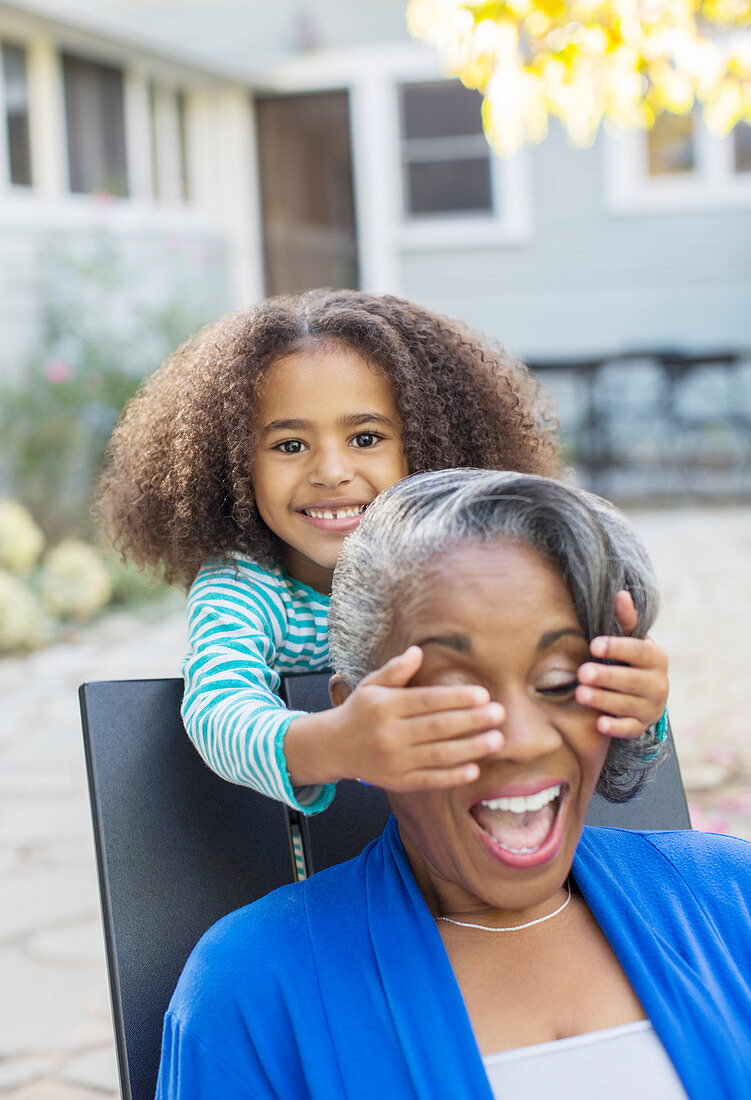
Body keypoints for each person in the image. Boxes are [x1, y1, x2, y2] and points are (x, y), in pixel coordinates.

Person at [156, 470, 751, 1100]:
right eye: (453, 699)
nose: (522, 739)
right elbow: (222, 705)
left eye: (558, 682)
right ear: (356, 718)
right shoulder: (250, 992)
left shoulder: (733, 900)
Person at [98, 289, 667, 813]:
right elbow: (217, 706)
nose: (331, 472)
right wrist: (334, 743)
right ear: (232, 467)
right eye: (290, 445)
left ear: (427, 446)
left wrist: (635, 711)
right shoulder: (247, 587)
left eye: (366, 439)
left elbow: (585, 726)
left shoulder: (478, 566)